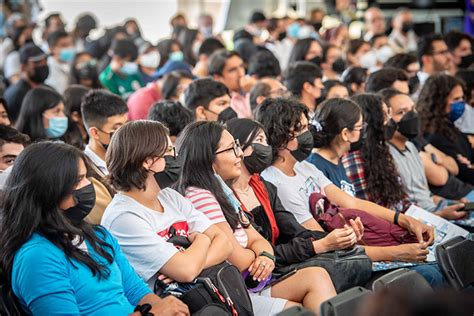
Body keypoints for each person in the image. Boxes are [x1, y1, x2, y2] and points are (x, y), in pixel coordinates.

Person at [0, 141, 188, 315]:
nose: (88, 186)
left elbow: (135, 290)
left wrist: (166, 309)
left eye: (86, 178)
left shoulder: (98, 236)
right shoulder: (37, 256)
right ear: (49, 190)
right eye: (78, 180)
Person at [177, 120, 338, 314]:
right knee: (299, 307)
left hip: (251, 282)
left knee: (317, 276)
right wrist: (260, 256)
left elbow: (256, 238)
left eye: (237, 146)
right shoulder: (201, 196)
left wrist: (265, 256)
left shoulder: (221, 189)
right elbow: (238, 259)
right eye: (231, 149)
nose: (239, 155)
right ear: (208, 158)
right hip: (234, 292)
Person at [256, 97, 434, 244]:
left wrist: (406, 220)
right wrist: (397, 253)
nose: (307, 134)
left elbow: (353, 203)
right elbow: (325, 241)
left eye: (306, 127)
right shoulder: (278, 183)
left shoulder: (304, 167)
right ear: (280, 137)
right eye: (300, 129)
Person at [101, 120, 233, 295]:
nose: (176, 157)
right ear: (148, 161)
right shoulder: (124, 217)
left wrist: (194, 263)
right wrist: (203, 240)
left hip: (208, 294)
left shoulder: (169, 197)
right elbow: (186, 270)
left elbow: (224, 243)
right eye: (169, 152)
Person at [380, 88, 468, 219]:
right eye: (401, 112)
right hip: (419, 220)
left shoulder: (411, 147)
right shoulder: (384, 156)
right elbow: (400, 211)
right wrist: (442, 215)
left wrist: (451, 204)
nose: (412, 116)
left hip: (435, 211)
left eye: (412, 109)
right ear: (386, 119)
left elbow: (427, 196)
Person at [417, 74, 474, 186]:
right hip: (461, 199)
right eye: (456, 99)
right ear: (439, 101)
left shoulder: (448, 126)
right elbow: (464, 173)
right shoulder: (432, 136)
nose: (461, 103)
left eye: (462, 98)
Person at [81, 90, 128, 176]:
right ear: (95, 133)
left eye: (126, 125)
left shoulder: (128, 157)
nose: (125, 133)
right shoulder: (84, 170)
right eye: (117, 128)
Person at [4, 43, 49, 122]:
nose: (43, 64)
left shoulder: (48, 89)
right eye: (37, 62)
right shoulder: (15, 96)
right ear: (23, 67)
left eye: (45, 60)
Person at [208, 49, 252, 118]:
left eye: (241, 66)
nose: (241, 74)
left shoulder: (250, 89)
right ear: (217, 78)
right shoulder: (220, 104)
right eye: (232, 70)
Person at [45, 30, 76, 94]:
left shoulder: (72, 62)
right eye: (64, 45)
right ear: (51, 49)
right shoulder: (48, 69)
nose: (69, 48)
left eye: (71, 44)